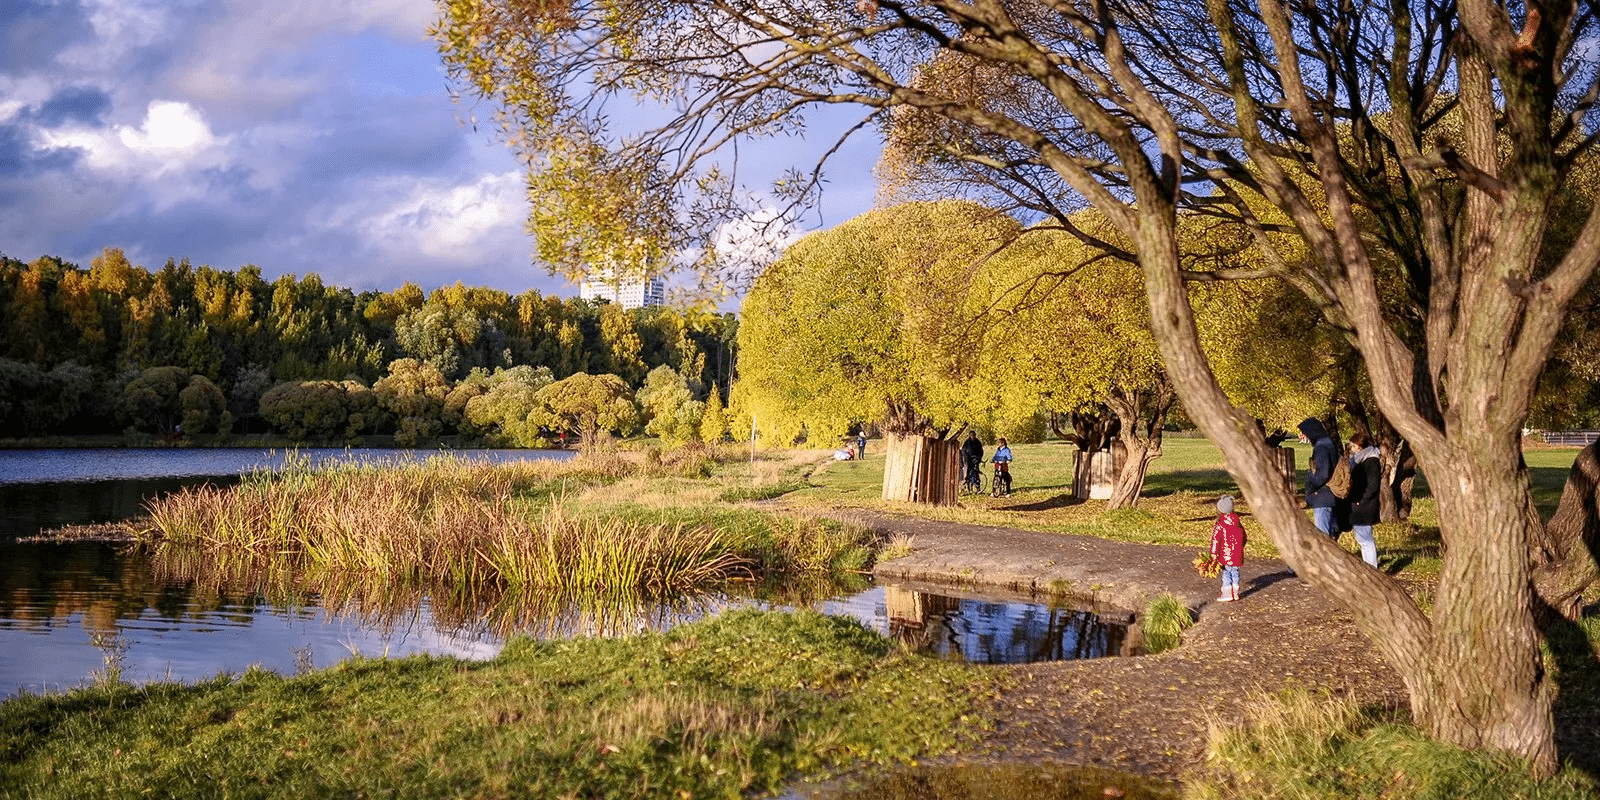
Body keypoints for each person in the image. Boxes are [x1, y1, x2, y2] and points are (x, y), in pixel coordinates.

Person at [1297, 417, 1340, 539]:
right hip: (1329, 495)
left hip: (1322, 496)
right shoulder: (1328, 443)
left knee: (1324, 536)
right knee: (1330, 533)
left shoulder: (1322, 446)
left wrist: (1310, 487)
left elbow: (1323, 473)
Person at [1345, 434, 1382, 568]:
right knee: (1363, 538)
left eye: (1353, 446)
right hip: (1359, 503)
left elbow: (1373, 485)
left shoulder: (1371, 461)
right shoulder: (1360, 460)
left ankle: (1371, 568)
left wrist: (1361, 499)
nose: (1351, 448)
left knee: (1365, 539)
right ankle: (1370, 566)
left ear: (1359, 446)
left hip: (1364, 505)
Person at [1211, 494, 1247, 602]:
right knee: (1235, 571)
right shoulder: (1238, 523)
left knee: (1226, 572)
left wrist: (1214, 553)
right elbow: (1244, 537)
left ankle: (1227, 593)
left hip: (1225, 555)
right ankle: (1235, 592)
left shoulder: (1221, 524)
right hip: (1237, 554)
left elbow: (1216, 540)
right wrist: (1240, 547)